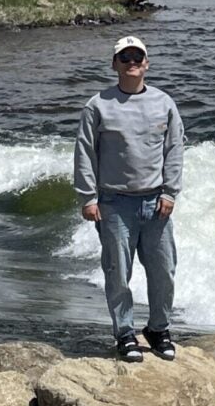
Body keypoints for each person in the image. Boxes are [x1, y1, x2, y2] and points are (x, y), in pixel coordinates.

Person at [73, 35, 184, 362]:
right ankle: (124, 333)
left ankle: (158, 329)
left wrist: (170, 191)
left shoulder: (164, 103)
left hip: (156, 203)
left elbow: (175, 150)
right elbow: (85, 152)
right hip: (114, 204)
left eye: (138, 56)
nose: (132, 61)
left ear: (147, 63)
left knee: (164, 271)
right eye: (125, 57)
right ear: (115, 64)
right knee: (118, 273)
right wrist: (88, 197)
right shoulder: (97, 105)